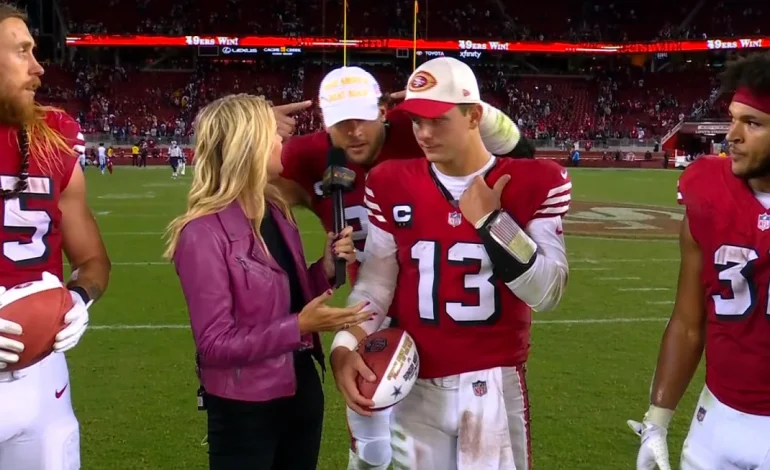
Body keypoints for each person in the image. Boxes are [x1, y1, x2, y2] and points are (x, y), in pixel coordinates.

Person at [277, 65, 527, 470]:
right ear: (324, 123)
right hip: (371, 313)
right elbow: (238, 185)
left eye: (363, 116)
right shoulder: (308, 155)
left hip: (449, 319)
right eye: (342, 123)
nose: (354, 131)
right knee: (373, 447)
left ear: (382, 109)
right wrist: (253, 125)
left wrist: (466, 103)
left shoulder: (421, 132)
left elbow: (520, 151)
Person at [330, 57, 571, 470]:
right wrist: (344, 347)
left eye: (437, 120)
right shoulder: (390, 182)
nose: (423, 133)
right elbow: (377, 285)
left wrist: (494, 224)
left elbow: (547, 292)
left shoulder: (535, 180)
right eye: (416, 122)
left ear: (474, 115)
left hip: (492, 384)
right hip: (415, 383)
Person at [164, 94, 370, 470]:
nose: (281, 143)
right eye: (272, 135)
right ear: (249, 145)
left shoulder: (274, 209)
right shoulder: (201, 234)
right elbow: (214, 344)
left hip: (302, 390)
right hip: (247, 407)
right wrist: (300, 327)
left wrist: (321, 271)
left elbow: (285, 296)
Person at [629, 52, 770, 470]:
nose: (733, 135)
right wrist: (657, 419)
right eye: (733, 118)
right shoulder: (707, 191)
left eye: (754, 123)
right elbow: (689, 322)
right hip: (717, 421)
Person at [0, 4, 111, 469]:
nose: (38, 66)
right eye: (22, 51)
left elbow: (93, 262)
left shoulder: (55, 136)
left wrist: (78, 300)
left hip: (43, 381)